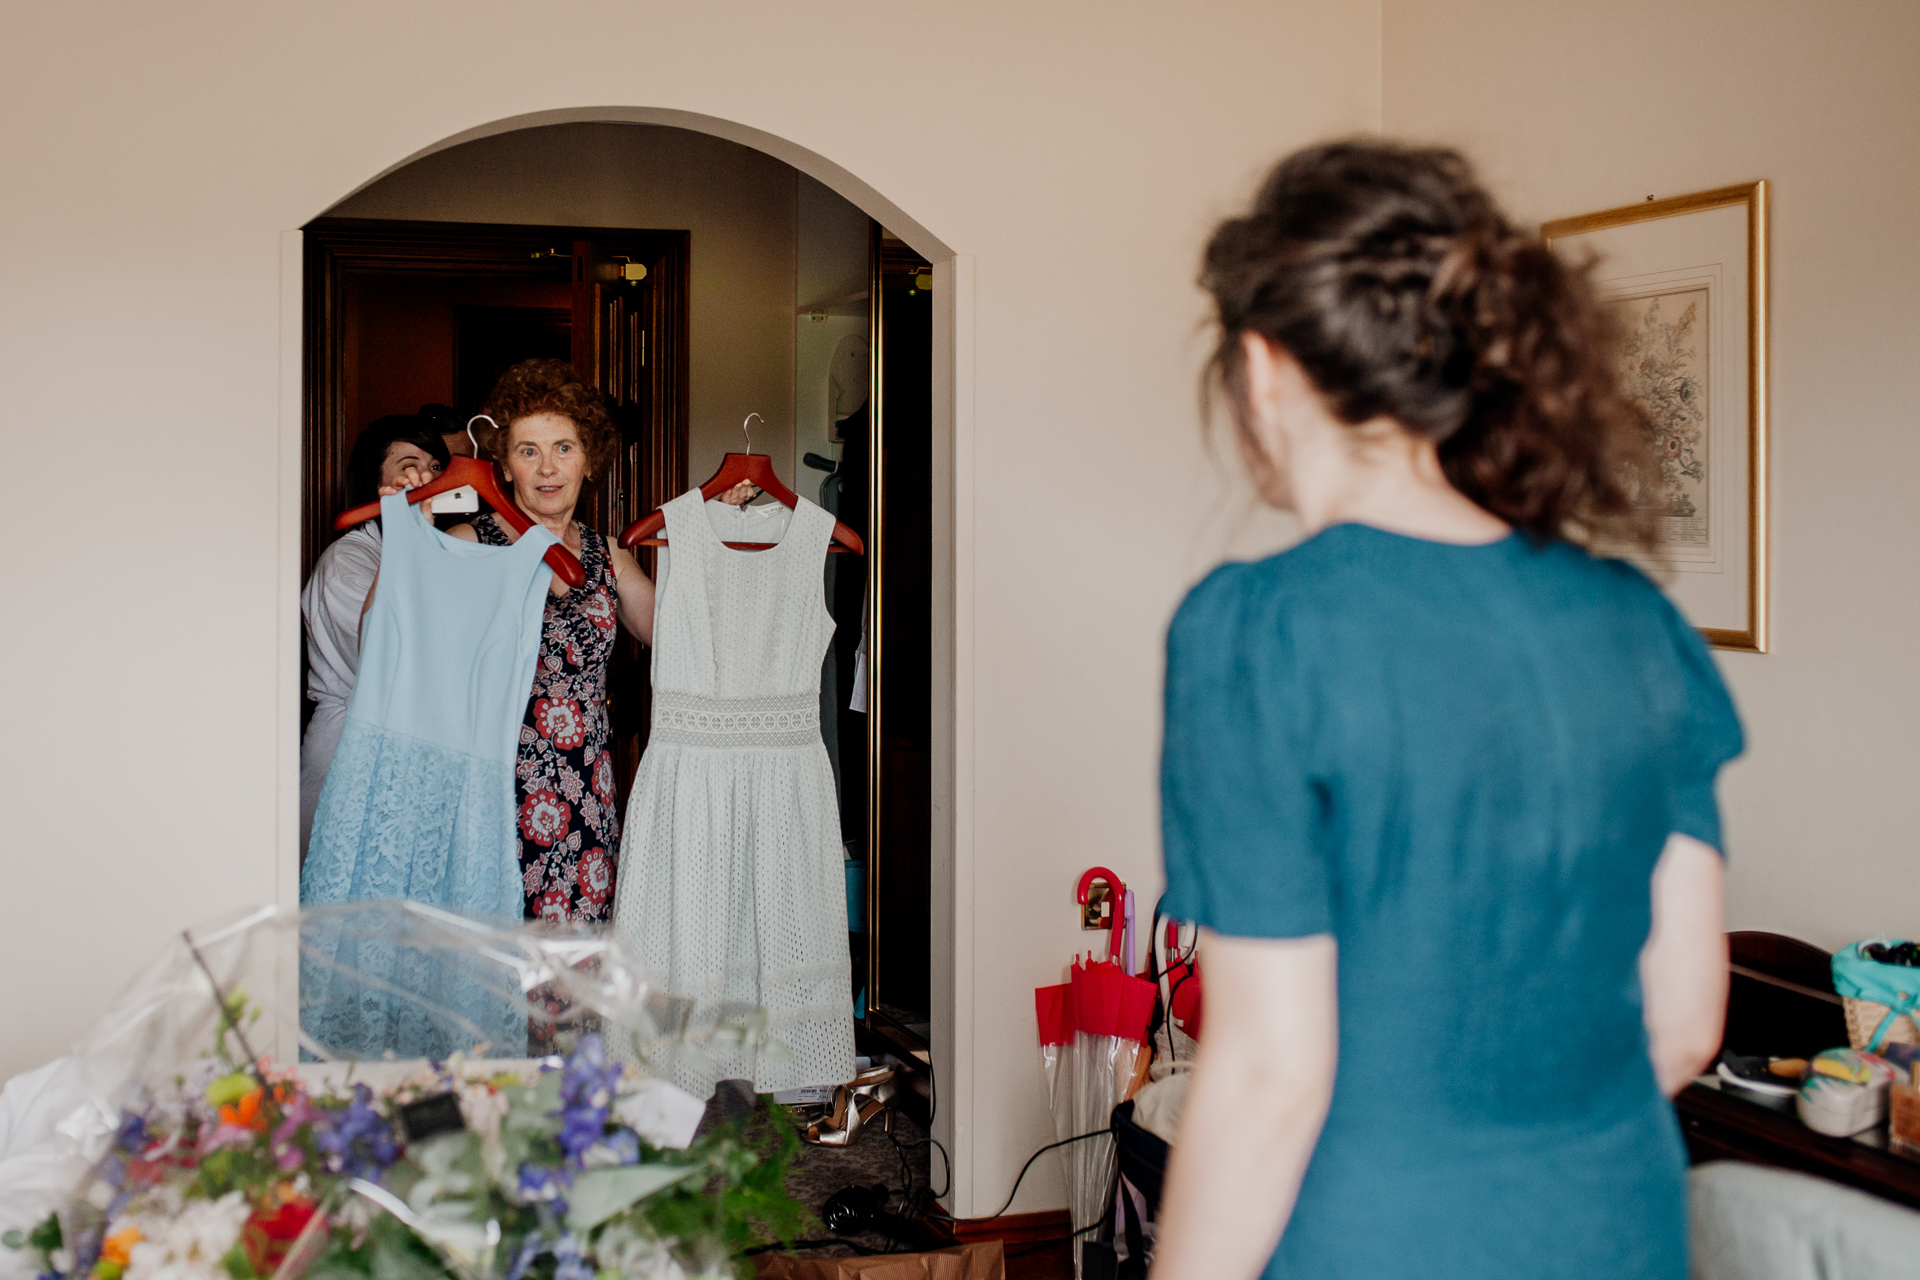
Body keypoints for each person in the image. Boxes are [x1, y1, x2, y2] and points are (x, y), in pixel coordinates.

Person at [1150, 141, 1742, 1280]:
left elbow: (1273, 1071)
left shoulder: (1258, 629)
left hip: (1372, 1234)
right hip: (1619, 1224)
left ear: (1263, 368)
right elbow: (1684, 1017)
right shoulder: (1638, 622)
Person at [298, 415, 449, 861]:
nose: (426, 478)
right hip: (350, 748)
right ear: (375, 481)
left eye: (437, 466)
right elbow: (385, 661)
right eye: (409, 464)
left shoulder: (446, 550)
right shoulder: (346, 564)